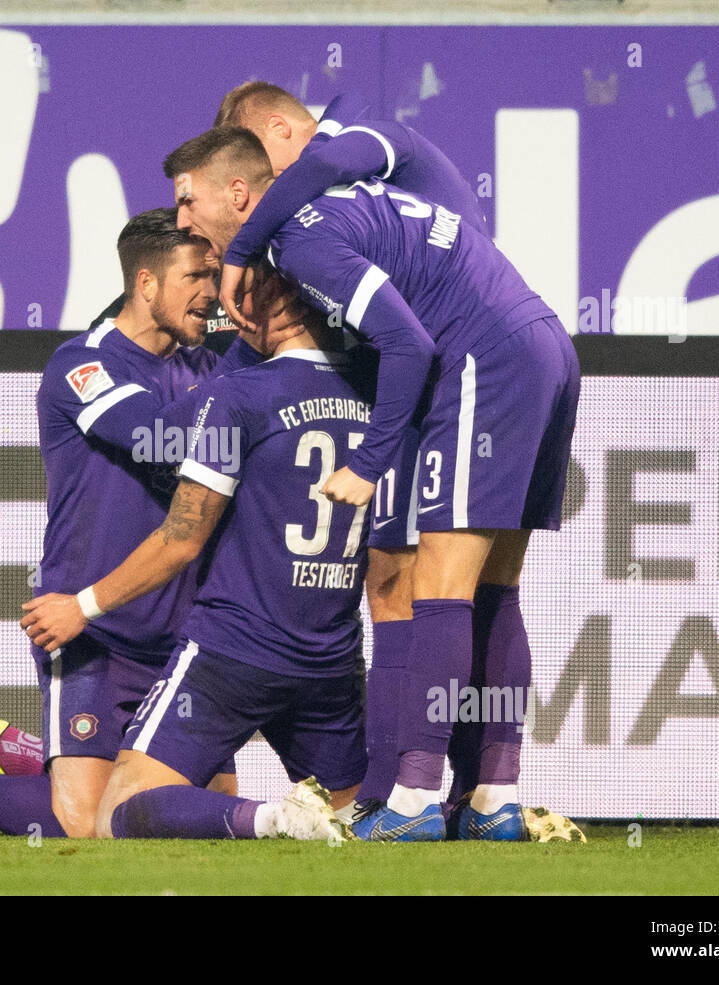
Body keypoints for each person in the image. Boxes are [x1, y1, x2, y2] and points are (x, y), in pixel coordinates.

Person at [165, 126, 579, 841]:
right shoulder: (334, 211)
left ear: (238, 194)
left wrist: (370, 459)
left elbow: (409, 343)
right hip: (545, 345)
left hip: (484, 360)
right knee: (497, 588)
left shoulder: (302, 238)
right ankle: (492, 797)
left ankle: (416, 800)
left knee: (440, 586)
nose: (180, 221)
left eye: (186, 201)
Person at [0, 209, 284, 839]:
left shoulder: (205, 365)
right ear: (145, 283)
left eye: (215, 273)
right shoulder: (81, 365)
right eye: (195, 275)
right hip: (91, 627)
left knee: (176, 813)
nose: (211, 291)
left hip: (184, 635)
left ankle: (18, 752)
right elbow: (161, 438)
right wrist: (243, 372)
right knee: (86, 823)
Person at [215, 82, 497, 821]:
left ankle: (430, 792)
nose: (275, 191)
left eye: (268, 165)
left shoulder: (366, 141)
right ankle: (404, 791)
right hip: (417, 371)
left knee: (435, 579)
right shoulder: (334, 195)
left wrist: (244, 246)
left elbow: (312, 177)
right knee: (393, 580)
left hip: (449, 367)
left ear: (285, 127)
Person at [21, 297, 370, 843]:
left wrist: (81, 604)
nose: (215, 300)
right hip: (325, 652)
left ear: (277, 310)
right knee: (360, 821)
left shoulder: (232, 385)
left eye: (233, 287)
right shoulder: (381, 395)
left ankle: (277, 820)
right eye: (200, 278)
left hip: (230, 647)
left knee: (131, 813)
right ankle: (478, 797)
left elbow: (181, 537)